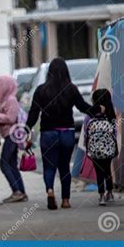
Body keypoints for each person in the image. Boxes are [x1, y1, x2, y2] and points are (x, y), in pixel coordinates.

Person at [25, 58, 102, 210]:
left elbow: (33, 114)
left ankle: (50, 191)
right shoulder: (71, 89)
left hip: (48, 134)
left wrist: (26, 129)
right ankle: (66, 200)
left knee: (49, 167)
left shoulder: (41, 90)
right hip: (67, 133)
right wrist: (98, 110)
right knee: (64, 167)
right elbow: (83, 107)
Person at [0, 75, 27, 203]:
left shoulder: (11, 100)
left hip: (12, 135)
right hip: (10, 135)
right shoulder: (6, 100)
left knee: (4, 164)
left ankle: (17, 191)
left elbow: (11, 118)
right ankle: (21, 192)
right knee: (12, 164)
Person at [85, 89, 118, 206]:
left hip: (95, 150)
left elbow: (86, 133)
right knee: (108, 170)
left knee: (99, 172)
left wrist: (87, 147)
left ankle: (101, 196)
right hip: (108, 149)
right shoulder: (111, 114)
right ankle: (110, 193)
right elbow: (114, 132)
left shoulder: (90, 115)